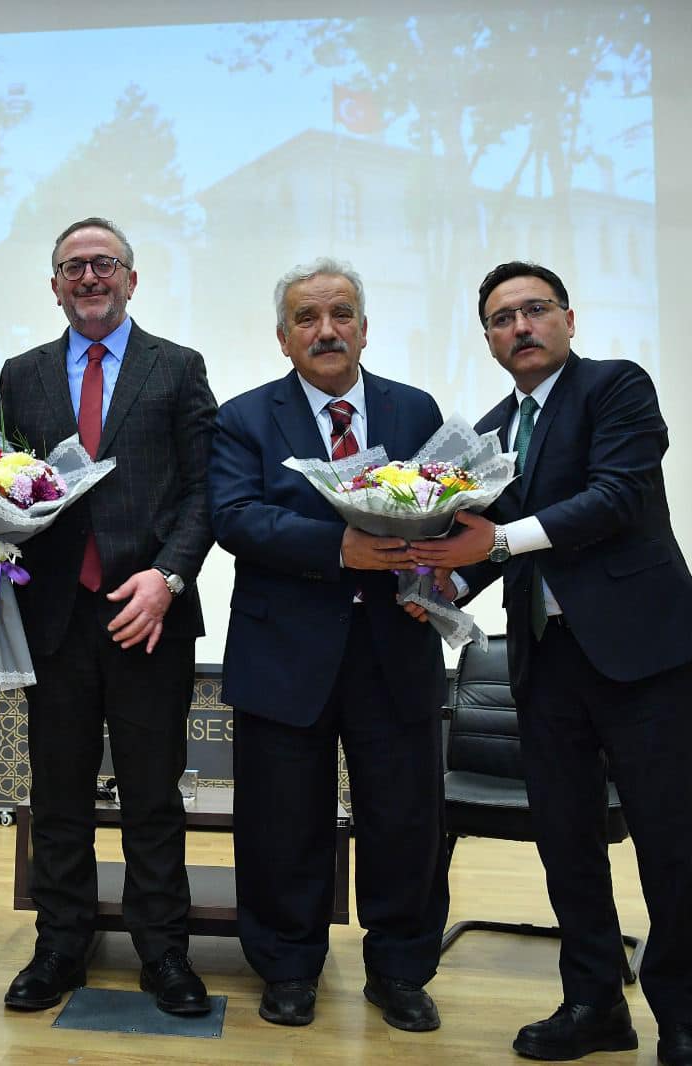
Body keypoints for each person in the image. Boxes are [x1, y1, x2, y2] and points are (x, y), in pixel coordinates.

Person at [411, 262, 692, 1066]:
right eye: (502, 318)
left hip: (641, 656)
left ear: (569, 319)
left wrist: (497, 542)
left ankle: (684, 1023)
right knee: (568, 844)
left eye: (535, 310)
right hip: (545, 664)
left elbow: (616, 498)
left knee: (669, 845)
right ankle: (592, 1006)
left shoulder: (617, 389)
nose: (521, 326)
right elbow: (490, 546)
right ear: (487, 340)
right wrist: (442, 584)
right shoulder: (486, 435)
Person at [0, 217, 218, 1015]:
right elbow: (1, 484)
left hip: (150, 615)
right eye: (72, 267)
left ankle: (163, 953)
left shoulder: (178, 368)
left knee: (151, 797)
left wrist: (168, 577)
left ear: (132, 279)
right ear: (54, 286)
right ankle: (59, 947)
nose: (89, 277)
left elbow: (205, 492)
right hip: (55, 620)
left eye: (104, 264)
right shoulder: (24, 372)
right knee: (59, 795)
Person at [208, 258, 450, 1030]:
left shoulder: (416, 410)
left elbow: (448, 510)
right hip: (284, 654)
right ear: (284, 339)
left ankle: (402, 970)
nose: (326, 330)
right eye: (307, 319)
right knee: (282, 825)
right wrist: (336, 547)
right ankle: (286, 965)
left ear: (365, 328)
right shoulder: (244, 418)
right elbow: (234, 517)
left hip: (396, 645)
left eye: (341, 314)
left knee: (404, 820)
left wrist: (443, 577)